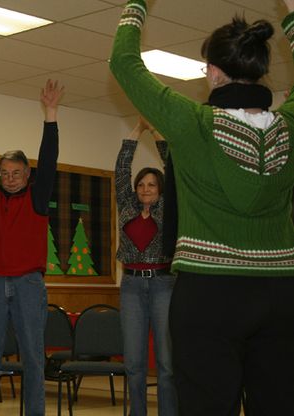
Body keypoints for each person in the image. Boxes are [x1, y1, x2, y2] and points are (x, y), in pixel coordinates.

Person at [110, 1, 294, 415]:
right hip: (282, 292)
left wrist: (137, 4)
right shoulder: (288, 128)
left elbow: (124, 63)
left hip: (210, 294)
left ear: (213, 72)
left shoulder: (192, 123)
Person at [0, 80, 63, 416]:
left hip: (28, 284)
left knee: (33, 354)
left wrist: (51, 115)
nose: (10, 178)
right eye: (4, 173)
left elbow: (49, 160)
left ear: (27, 174)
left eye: (16, 173)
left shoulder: (37, 197)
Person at [115, 117, 176, 416]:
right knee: (134, 363)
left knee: (166, 363)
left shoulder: (168, 206)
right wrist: (136, 131)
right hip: (131, 287)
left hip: (164, 284)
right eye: (141, 184)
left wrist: (155, 130)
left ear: (160, 188)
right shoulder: (126, 205)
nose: (145, 188)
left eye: (152, 184)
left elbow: (173, 166)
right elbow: (121, 170)